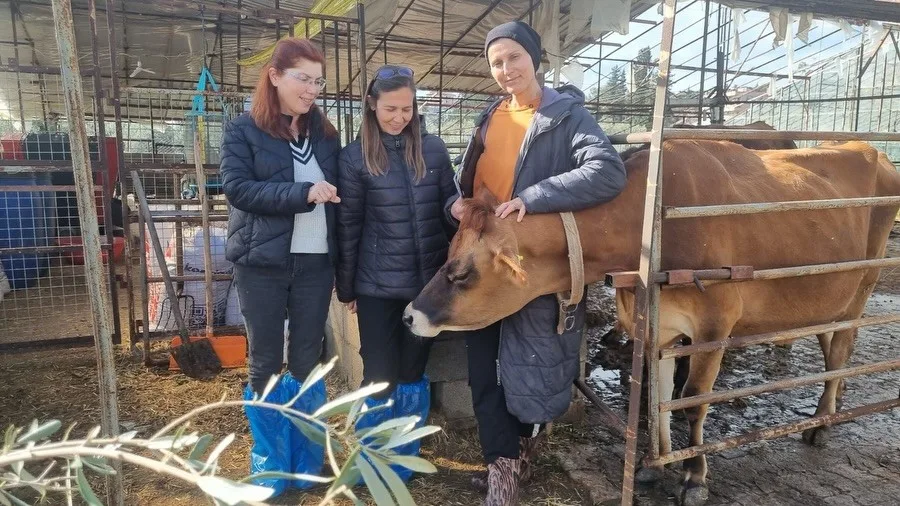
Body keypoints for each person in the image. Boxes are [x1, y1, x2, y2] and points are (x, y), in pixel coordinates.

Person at [446, 21, 627, 505]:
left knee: (531, 364)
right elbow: (468, 185)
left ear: (535, 58)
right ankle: (501, 466)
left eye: (514, 58)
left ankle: (523, 451)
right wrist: (456, 206)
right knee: (483, 369)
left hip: (535, 263)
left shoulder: (566, 115)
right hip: (483, 263)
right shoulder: (490, 116)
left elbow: (607, 170)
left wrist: (536, 195)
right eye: (497, 62)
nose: (506, 70)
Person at [219, 37, 341, 496]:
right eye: (302, 79)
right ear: (274, 76)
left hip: (315, 263)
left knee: (309, 360)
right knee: (266, 361)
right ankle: (272, 468)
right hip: (263, 263)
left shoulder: (325, 135)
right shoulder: (243, 129)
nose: (311, 90)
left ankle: (309, 459)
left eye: (317, 81)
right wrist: (303, 194)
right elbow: (237, 189)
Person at [336, 65, 456, 481]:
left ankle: (403, 457)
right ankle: (372, 460)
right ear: (371, 105)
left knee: (412, 372)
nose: (399, 117)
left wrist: (458, 209)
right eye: (390, 109)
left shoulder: (434, 149)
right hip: (375, 286)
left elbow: (447, 207)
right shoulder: (354, 158)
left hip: (425, 287)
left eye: (407, 109)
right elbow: (348, 226)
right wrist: (347, 286)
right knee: (379, 374)